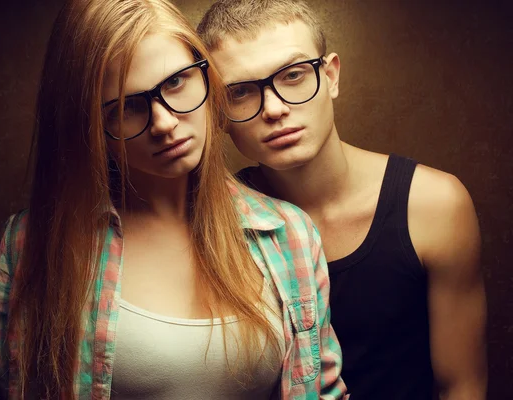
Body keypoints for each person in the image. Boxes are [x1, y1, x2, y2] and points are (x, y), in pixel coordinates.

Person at [0, 0, 349, 399]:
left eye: (175, 83)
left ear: (208, 79)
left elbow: (323, 389)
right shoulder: (32, 244)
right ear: (89, 124)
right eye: (127, 107)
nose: (164, 123)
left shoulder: (289, 234)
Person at [197, 1, 487, 399]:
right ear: (218, 113)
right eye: (241, 92)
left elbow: (462, 384)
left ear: (330, 76)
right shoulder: (210, 225)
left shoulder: (435, 205)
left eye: (294, 75)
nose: (275, 109)